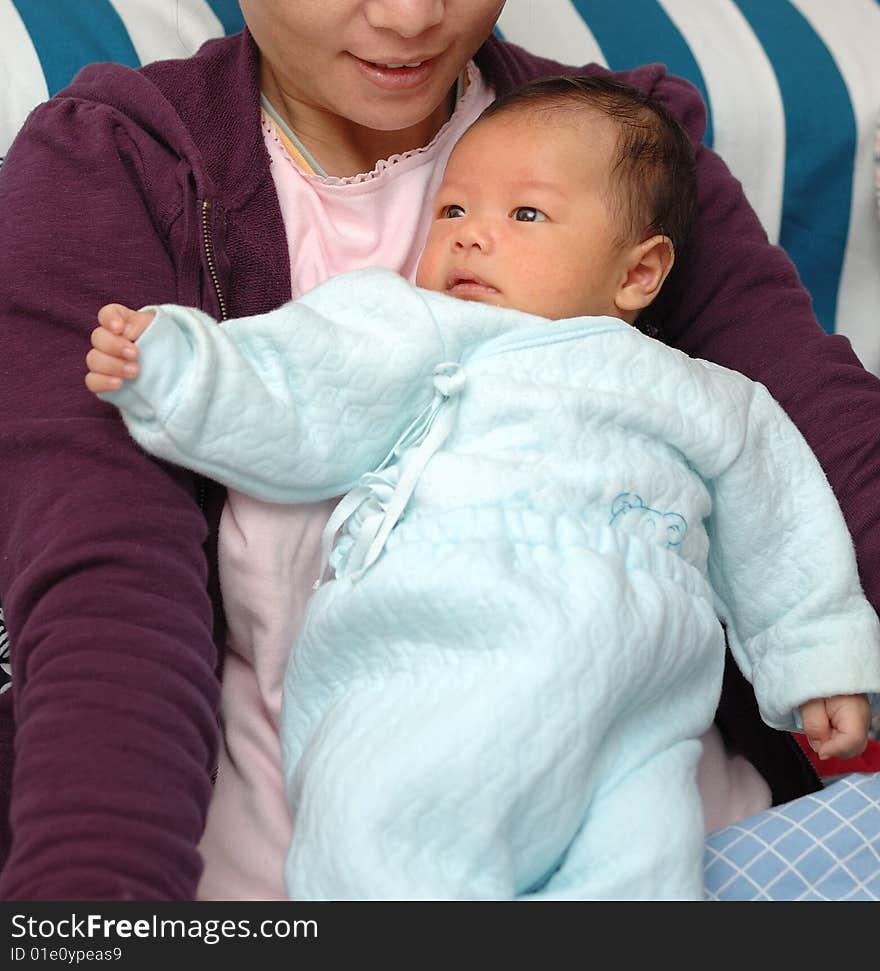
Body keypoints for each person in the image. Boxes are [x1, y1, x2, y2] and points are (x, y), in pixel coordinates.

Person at [2, 1, 880, 902]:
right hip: (381, 777)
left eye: (529, 214)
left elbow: (808, 468)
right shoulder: (122, 170)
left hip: (651, 769)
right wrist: (178, 368)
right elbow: (117, 595)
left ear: (638, 271)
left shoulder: (625, 148)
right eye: (452, 208)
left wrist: (820, 655)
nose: (413, 14)